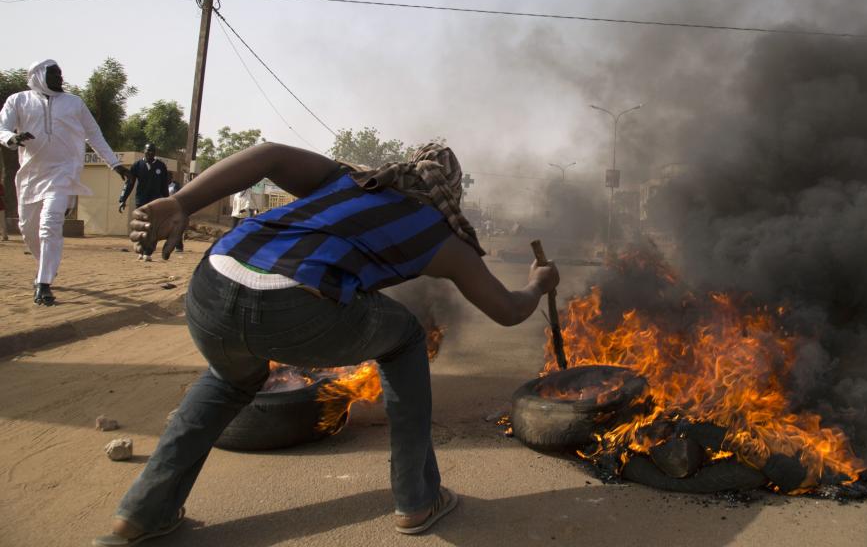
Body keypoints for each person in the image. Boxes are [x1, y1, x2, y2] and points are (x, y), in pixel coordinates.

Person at [94, 142, 559, 545]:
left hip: (211, 285)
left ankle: (139, 514)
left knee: (229, 378)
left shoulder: (346, 181)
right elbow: (507, 310)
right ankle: (417, 499)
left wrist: (182, 203)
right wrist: (538, 283)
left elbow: (268, 154)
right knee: (406, 338)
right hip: (293, 306)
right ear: (450, 194)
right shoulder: (441, 236)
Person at [0, 59, 128, 305]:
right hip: (31, 176)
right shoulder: (18, 100)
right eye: (54, 75)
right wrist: (12, 138)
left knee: (50, 224)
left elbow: (94, 134)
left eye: (60, 74)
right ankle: (45, 267)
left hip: (63, 173)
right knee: (28, 230)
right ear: (38, 76)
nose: (60, 78)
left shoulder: (74, 103)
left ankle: (43, 282)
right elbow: (2, 127)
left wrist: (115, 164)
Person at [118, 143, 169, 261]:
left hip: (156, 202)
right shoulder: (137, 165)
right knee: (141, 227)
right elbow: (129, 183)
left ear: (155, 153)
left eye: (152, 151)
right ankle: (141, 250)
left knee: (153, 227)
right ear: (144, 151)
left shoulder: (161, 166)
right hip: (141, 201)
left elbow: (164, 186)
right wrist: (122, 199)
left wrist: (166, 202)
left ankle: (148, 252)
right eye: (148, 151)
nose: (150, 153)